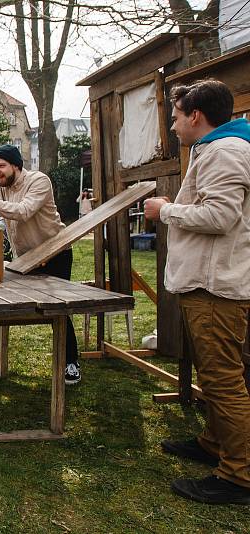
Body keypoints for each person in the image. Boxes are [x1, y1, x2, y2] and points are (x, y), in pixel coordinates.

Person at [143, 79, 250, 505]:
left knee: (223, 381)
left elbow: (220, 216)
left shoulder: (224, 152)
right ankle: (213, 442)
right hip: (210, 282)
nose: (172, 126)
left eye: (175, 116)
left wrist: (165, 210)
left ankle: (239, 475)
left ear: (196, 116)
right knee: (216, 373)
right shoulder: (218, 149)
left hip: (215, 286)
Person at [0, 144, 82, 385]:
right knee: (0, 296)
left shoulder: (39, 181)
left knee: (57, 310)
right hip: (26, 258)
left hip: (55, 253)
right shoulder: (0, 188)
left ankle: (71, 362)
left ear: (16, 165)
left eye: (1, 166)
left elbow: (23, 211)